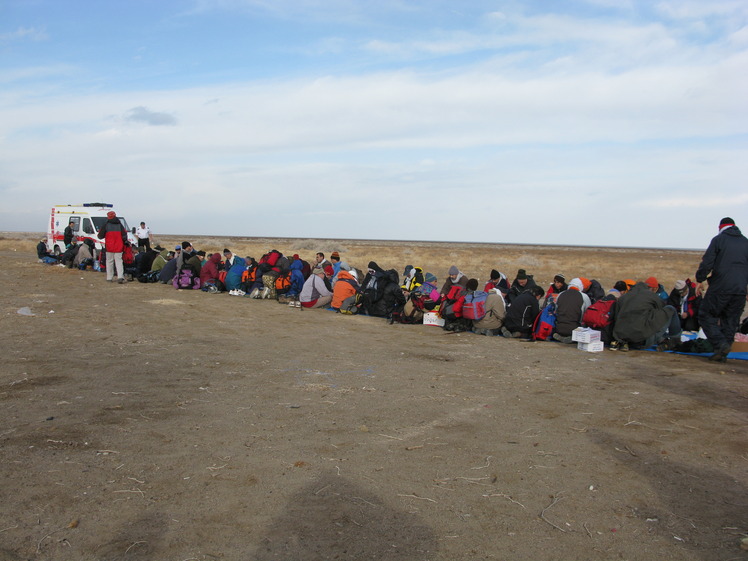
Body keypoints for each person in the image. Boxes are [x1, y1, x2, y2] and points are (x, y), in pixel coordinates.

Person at [695, 217, 748, 362]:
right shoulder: (746, 242)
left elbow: (707, 262)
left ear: (720, 227)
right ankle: (722, 353)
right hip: (740, 290)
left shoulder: (718, 240)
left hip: (721, 287)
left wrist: (700, 279)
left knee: (706, 315)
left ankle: (721, 344)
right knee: (731, 320)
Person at [611, 278, 681, 352]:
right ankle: (675, 340)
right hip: (641, 341)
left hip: (623, 341)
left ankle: (663, 340)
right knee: (670, 309)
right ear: (652, 289)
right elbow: (662, 307)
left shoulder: (623, 297)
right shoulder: (650, 295)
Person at [552, 278, 587, 344]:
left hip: (559, 328)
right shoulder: (584, 296)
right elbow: (587, 313)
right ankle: (572, 337)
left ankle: (562, 336)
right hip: (575, 329)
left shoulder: (561, 294)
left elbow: (556, 310)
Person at [97, 210, 127, 283]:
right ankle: (120, 277)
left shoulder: (106, 225)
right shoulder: (120, 225)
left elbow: (100, 236)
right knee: (119, 262)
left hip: (109, 246)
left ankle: (109, 277)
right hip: (119, 246)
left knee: (109, 262)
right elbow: (124, 236)